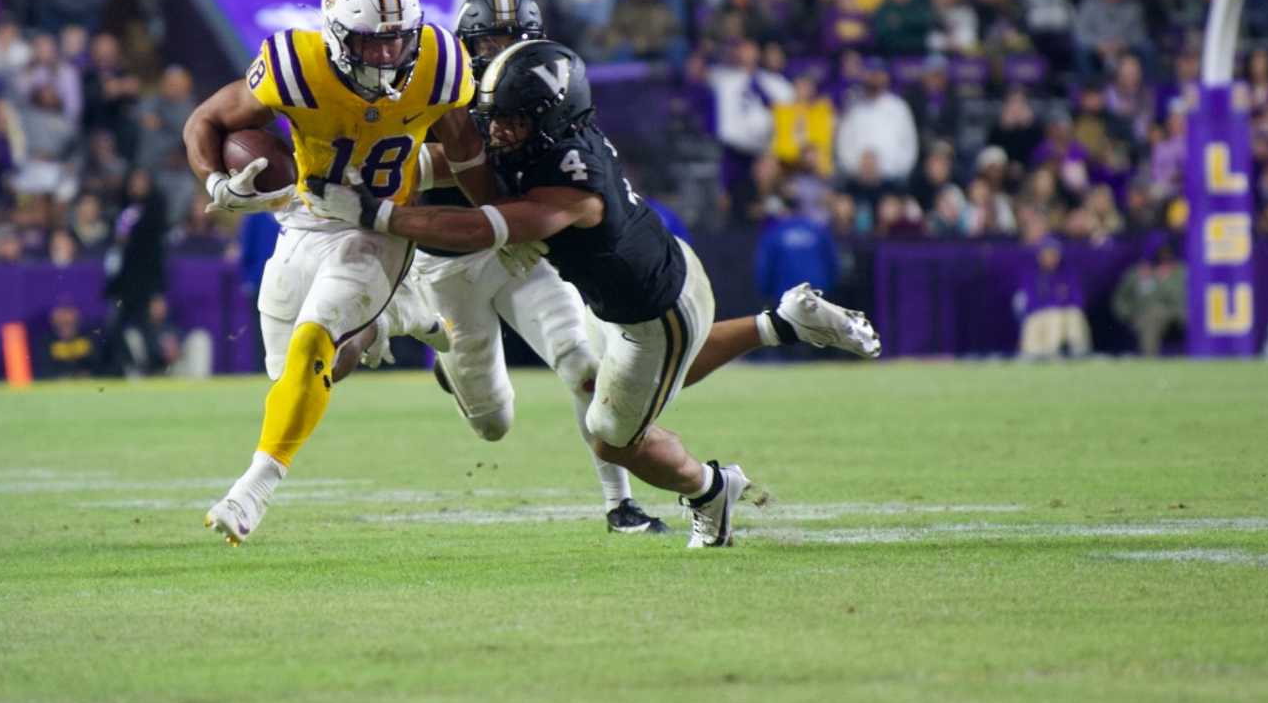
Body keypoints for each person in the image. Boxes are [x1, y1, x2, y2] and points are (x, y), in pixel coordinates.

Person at [306, 41, 881, 548]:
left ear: (549, 119)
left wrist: (375, 212)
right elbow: (451, 161)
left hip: (654, 314)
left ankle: (711, 491)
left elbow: (478, 227)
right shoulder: (548, 135)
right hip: (659, 276)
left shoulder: (573, 186)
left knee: (613, 440)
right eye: (496, 117)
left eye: (512, 121)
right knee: (647, 383)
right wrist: (360, 170)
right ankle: (782, 323)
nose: (499, 130)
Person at [183, 0, 486, 546]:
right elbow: (206, 120)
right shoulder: (294, 66)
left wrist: (498, 222)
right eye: (373, 45)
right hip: (303, 215)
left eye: (398, 41)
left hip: (379, 224)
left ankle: (252, 490)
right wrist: (216, 183)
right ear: (338, 36)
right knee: (301, 377)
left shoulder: (442, 64)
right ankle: (393, 318)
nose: (389, 57)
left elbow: (468, 154)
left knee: (312, 343)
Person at [398, 0, 669, 535]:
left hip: (519, 248)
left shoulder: (548, 86)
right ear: (466, 43)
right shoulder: (435, 81)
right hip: (448, 263)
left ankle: (621, 504)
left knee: (582, 363)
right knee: (493, 423)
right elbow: (409, 160)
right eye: (490, 40)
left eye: (514, 40)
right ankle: (451, 368)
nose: (501, 52)